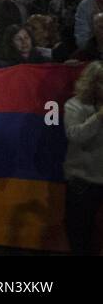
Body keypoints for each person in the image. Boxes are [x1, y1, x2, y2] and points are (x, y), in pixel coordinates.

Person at [63, 61, 103, 256]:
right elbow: (75, 135)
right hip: (83, 183)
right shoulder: (74, 106)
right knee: (80, 237)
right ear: (92, 83)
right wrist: (100, 116)